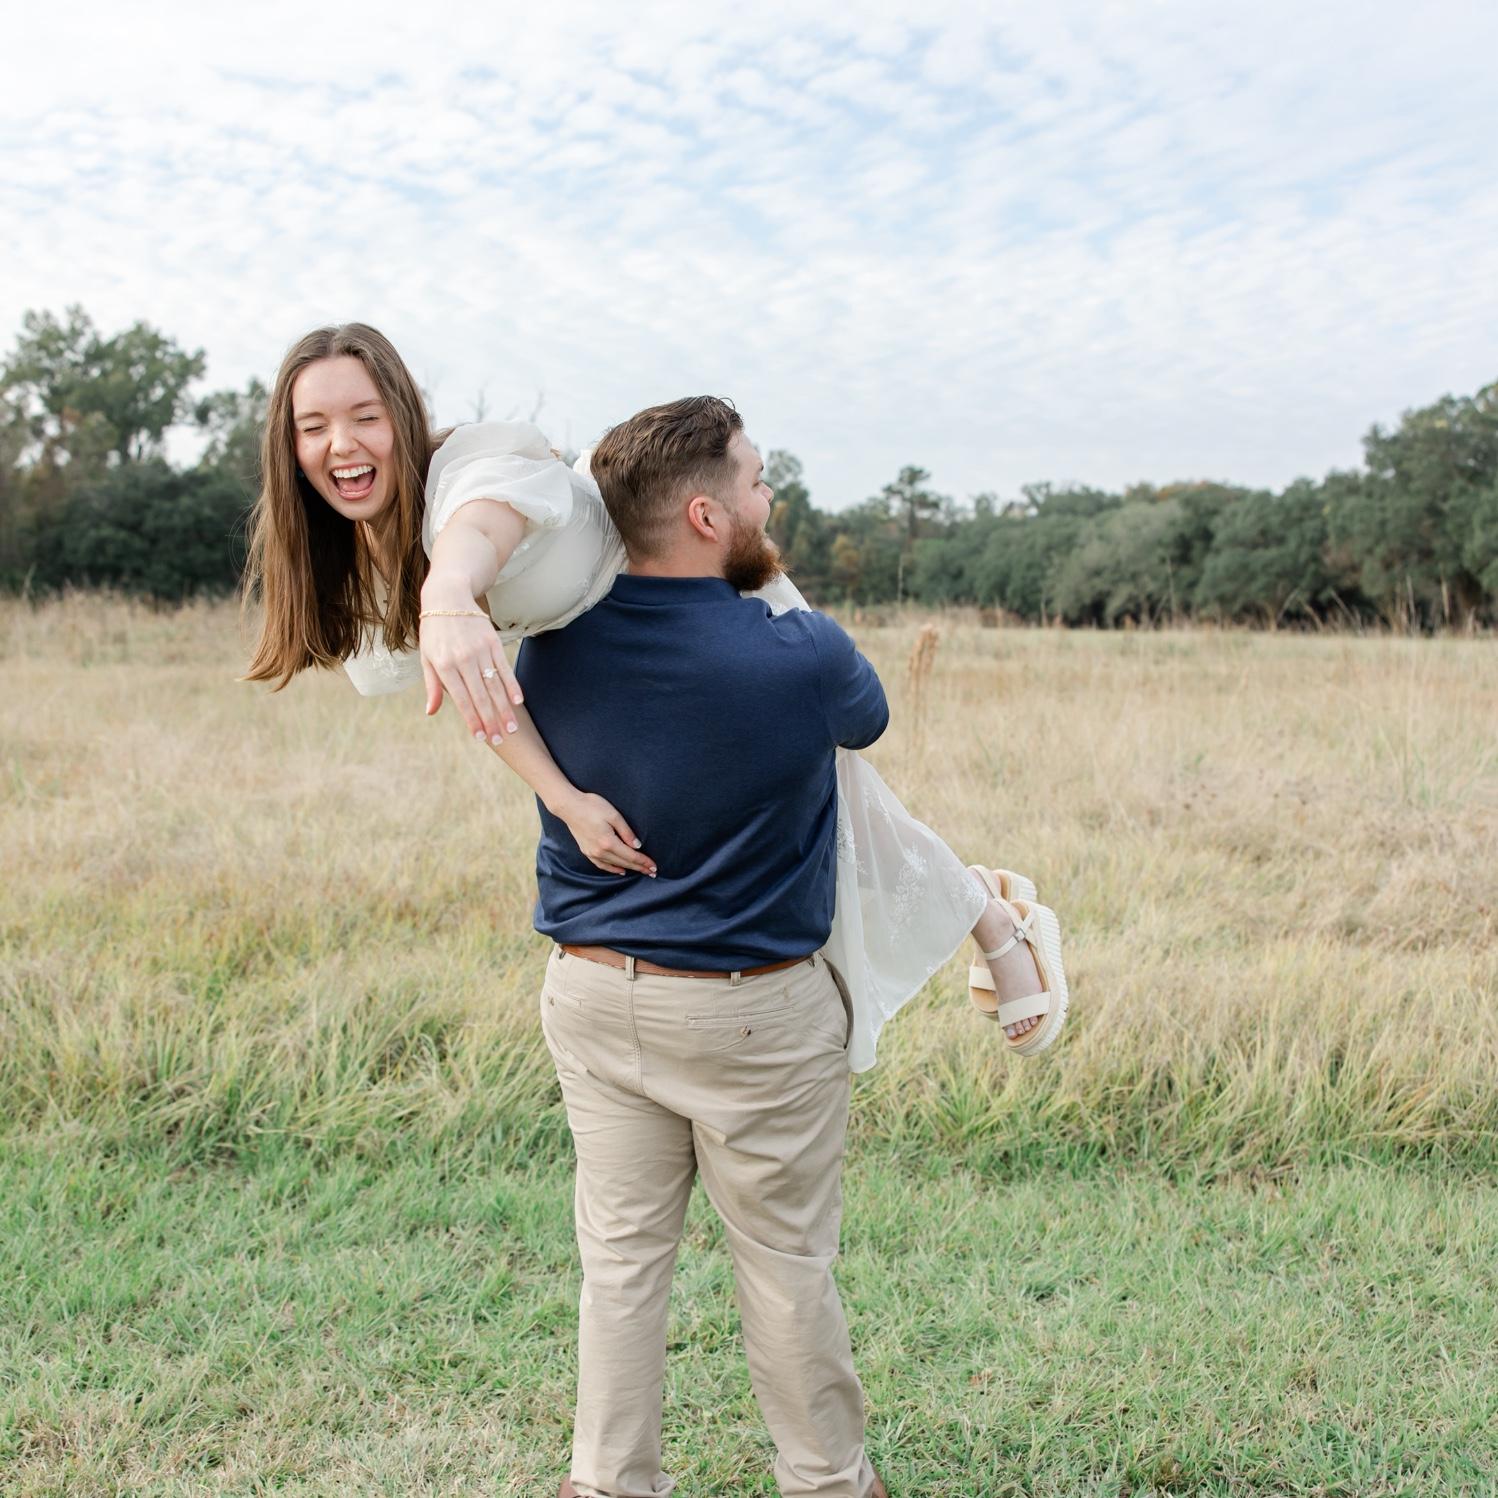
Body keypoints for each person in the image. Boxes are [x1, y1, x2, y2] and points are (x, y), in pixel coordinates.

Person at [241, 323, 1068, 1058]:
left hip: (696, 584)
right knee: (798, 805)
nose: (341, 443)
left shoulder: (470, 471)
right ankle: (985, 909)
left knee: (838, 786)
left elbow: (480, 525)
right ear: (290, 445)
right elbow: (481, 689)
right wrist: (563, 798)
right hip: (614, 650)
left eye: (365, 417)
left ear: (404, 415)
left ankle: (996, 922)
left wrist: (449, 592)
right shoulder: (368, 555)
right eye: (314, 426)